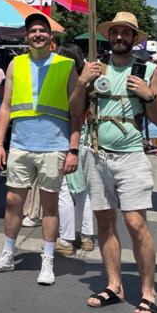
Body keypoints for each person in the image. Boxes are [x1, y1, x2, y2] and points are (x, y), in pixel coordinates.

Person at [71, 12, 157, 313]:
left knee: (136, 224)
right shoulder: (95, 69)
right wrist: (82, 83)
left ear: (135, 38)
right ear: (108, 36)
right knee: (104, 223)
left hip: (131, 157)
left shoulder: (147, 70)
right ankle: (114, 286)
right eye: (115, 32)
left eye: (126, 32)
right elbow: (74, 110)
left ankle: (148, 293)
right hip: (97, 155)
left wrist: (149, 96)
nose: (119, 37)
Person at [0, 13, 80, 285]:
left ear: (51, 36)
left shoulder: (66, 65)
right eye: (33, 30)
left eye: (42, 30)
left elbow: (76, 111)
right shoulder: (16, 64)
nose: (38, 34)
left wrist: (73, 149)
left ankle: (47, 261)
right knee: (13, 201)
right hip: (20, 144)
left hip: (54, 146)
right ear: (26, 36)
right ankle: (7, 255)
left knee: (49, 206)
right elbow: (6, 106)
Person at [52, 43, 94, 255]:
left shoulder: (68, 82)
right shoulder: (88, 82)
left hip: (70, 137)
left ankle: (67, 239)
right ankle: (86, 237)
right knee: (82, 191)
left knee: (65, 191)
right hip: (87, 137)